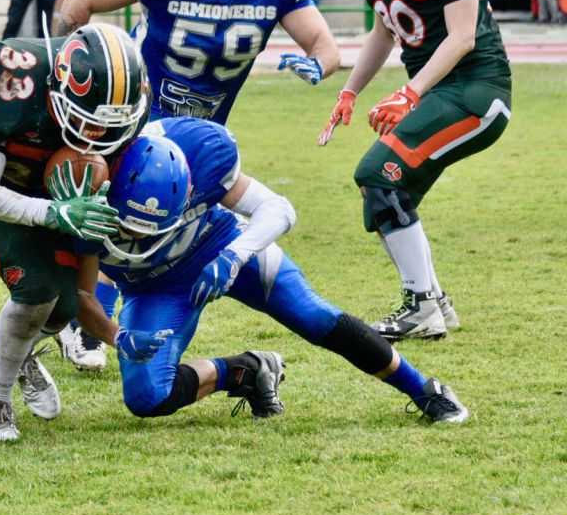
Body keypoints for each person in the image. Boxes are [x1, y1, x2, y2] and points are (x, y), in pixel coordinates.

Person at [53, 0, 340, 369]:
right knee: (116, 212)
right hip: (138, 114)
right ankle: (84, 326)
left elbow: (324, 43)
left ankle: (101, 319)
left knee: (159, 225)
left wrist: (318, 62)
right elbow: (78, 4)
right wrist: (66, 67)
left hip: (204, 128)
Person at [70, 121, 469, 425]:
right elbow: (82, 292)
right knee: (146, 397)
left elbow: (279, 209)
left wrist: (234, 256)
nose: (146, 235)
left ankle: (424, 389)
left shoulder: (197, 153)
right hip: (153, 286)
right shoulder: (82, 189)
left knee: (313, 315)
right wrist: (115, 336)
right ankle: (246, 371)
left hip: (218, 244)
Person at [321, 0, 511, 342]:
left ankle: (422, 304)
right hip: (437, 93)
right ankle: (433, 302)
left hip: (475, 88)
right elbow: (384, 31)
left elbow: (463, 37)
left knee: (375, 175)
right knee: (383, 195)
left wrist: (410, 91)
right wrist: (350, 90)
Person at [0, 23, 149, 441]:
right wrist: (53, 213)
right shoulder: (15, 75)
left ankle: (21, 355)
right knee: (37, 288)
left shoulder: (129, 100)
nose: (95, 136)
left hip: (52, 190)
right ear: (59, 85)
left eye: (107, 127)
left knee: (65, 305)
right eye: (87, 120)